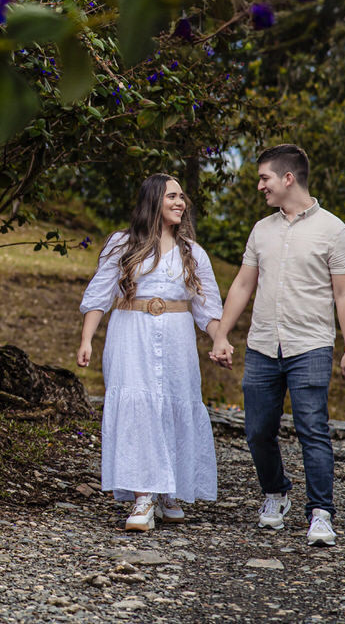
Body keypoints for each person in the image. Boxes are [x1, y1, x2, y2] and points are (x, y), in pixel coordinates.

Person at [210, 144, 345, 547]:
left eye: (265, 178)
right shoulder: (262, 229)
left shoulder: (334, 230)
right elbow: (243, 284)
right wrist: (221, 333)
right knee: (258, 431)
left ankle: (321, 513)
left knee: (313, 430)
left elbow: (344, 294)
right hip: (261, 346)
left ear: (287, 178)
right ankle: (276, 493)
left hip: (309, 345)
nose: (261, 186)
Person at [77, 174, 224, 532]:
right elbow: (99, 296)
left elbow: (208, 309)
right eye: (172, 196)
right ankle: (144, 496)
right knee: (138, 408)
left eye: (182, 197)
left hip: (177, 338)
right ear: (153, 200)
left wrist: (220, 340)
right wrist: (86, 340)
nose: (180, 202)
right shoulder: (122, 244)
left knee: (174, 403)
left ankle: (167, 488)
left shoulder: (194, 253)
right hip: (131, 333)